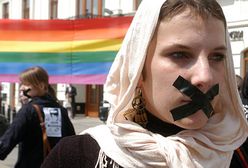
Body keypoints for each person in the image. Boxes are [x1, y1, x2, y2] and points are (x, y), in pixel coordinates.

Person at [42, 0, 248, 167]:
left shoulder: (237, 151)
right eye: (179, 54)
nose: (206, 77)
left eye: (217, 57)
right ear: (138, 69)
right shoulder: (78, 157)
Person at [0, 66, 75, 168]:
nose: (22, 88)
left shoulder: (28, 111)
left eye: (26, 84)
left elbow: (5, 145)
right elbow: (72, 144)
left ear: (41, 85)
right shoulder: (61, 110)